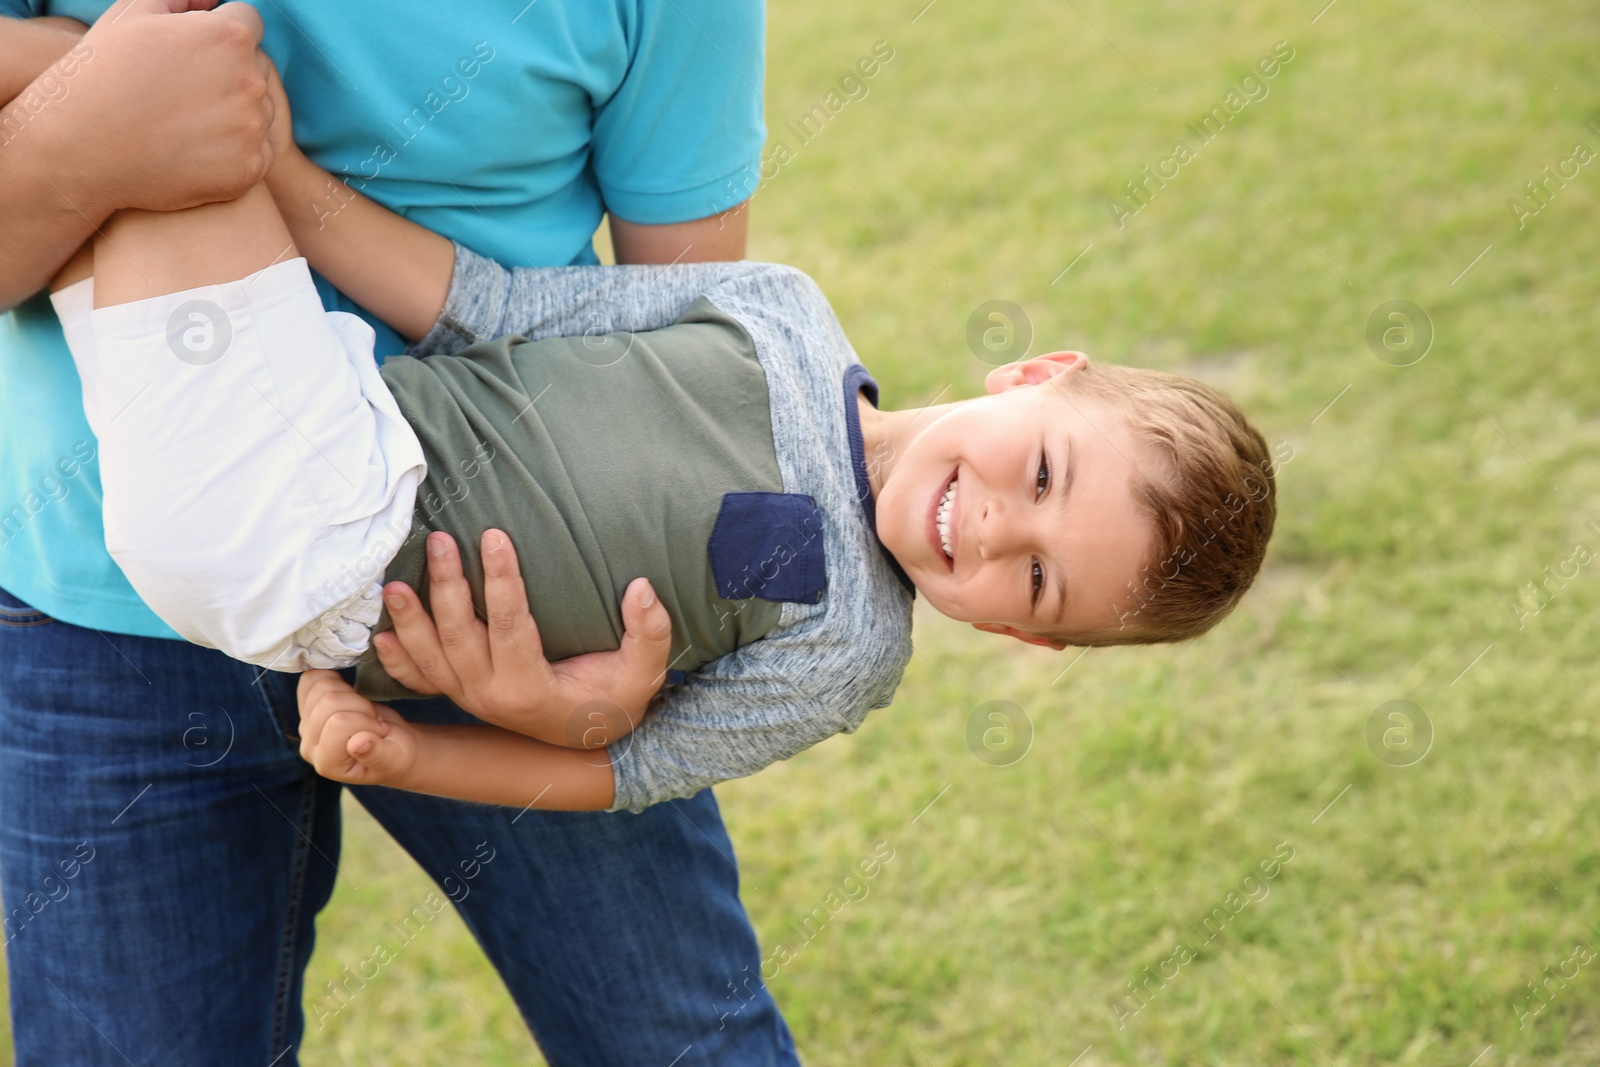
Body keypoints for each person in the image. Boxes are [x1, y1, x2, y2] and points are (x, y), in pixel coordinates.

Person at [48, 57, 1280, 815]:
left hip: (324, 531)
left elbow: (622, 771)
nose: (1000, 524)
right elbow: (499, 308)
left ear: (1021, 632)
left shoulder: (848, 651)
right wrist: (288, 171)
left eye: (1039, 578)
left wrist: (406, 755)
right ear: (1036, 372)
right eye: (1048, 472)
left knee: (139, 96)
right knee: (102, 119)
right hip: (321, 419)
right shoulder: (776, 309)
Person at [0, 2, 796, 1064]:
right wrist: (81, 131)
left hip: (515, 608)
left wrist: (627, 697)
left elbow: (674, 353)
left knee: (684, 1043)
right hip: (102, 617)